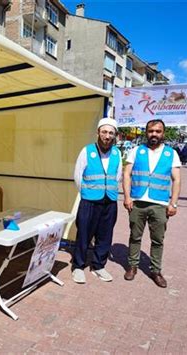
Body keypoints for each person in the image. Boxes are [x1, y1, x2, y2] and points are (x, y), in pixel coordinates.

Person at [122, 119, 181, 288]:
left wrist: (173, 203)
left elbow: (176, 180)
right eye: (151, 131)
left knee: (158, 240)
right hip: (138, 201)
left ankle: (155, 270)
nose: (154, 134)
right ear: (146, 132)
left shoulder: (171, 154)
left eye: (158, 131)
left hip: (160, 204)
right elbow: (127, 174)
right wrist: (127, 197)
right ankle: (132, 266)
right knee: (135, 236)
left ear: (163, 133)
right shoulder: (136, 151)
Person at [72, 117, 122, 284]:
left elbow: (118, 176)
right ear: (98, 133)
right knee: (84, 234)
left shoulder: (117, 153)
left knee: (105, 235)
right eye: (104, 132)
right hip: (90, 202)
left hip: (110, 201)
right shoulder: (86, 151)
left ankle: (98, 266)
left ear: (115, 135)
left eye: (110, 133)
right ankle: (78, 266)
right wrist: (87, 193)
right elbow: (78, 176)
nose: (107, 136)